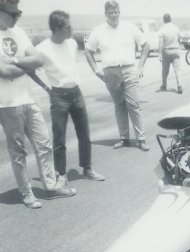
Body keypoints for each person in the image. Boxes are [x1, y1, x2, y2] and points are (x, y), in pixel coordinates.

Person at [0, 0, 75, 209]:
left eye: (19, 13)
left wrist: (13, 61)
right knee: (18, 152)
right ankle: (26, 193)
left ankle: (51, 187)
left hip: (28, 98)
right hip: (6, 103)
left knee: (44, 144)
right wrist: (25, 63)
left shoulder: (20, 33)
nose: (17, 17)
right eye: (13, 14)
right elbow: (4, 73)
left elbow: (38, 60)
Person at [36, 10, 105, 188]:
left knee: (85, 134)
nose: (72, 29)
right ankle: (61, 174)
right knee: (59, 138)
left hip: (76, 92)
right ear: (57, 28)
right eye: (68, 26)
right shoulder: (42, 49)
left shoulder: (73, 43)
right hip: (58, 96)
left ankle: (87, 168)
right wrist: (45, 87)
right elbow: (30, 69)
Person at [85, 0, 150, 151]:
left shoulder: (130, 27)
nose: (113, 15)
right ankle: (124, 138)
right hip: (110, 72)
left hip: (129, 70)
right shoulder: (98, 30)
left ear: (119, 12)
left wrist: (140, 66)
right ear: (105, 14)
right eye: (110, 12)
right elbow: (88, 51)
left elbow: (145, 45)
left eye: (116, 12)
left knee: (134, 105)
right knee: (119, 105)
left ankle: (141, 139)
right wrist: (96, 70)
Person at [158, 13, 182, 94]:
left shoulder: (162, 29)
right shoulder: (176, 28)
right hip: (175, 50)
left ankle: (164, 85)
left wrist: (159, 53)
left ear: (164, 20)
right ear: (170, 19)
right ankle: (179, 85)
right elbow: (180, 38)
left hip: (166, 51)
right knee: (177, 70)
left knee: (165, 70)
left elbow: (161, 42)